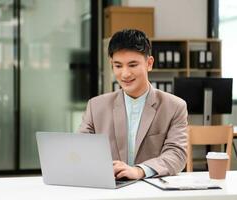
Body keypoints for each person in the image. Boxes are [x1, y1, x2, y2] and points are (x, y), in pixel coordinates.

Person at [78, 29, 188, 180]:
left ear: (149, 63)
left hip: (151, 190)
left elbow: (177, 155)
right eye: (118, 66)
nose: (125, 74)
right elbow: (80, 150)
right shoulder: (95, 106)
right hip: (109, 189)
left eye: (132, 65)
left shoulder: (175, 107)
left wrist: (139, 171)